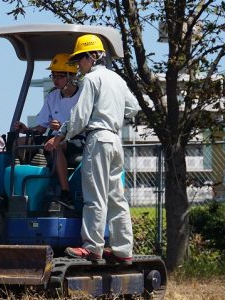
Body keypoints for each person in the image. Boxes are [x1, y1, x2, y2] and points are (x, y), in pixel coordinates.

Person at [44, 34, 140, 264]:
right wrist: (113, 114)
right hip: (115, 140)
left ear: (92, 57)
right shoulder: (116, 79)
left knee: (94, 195)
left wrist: (59, 136)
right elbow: (134, 107)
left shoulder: (91, 80)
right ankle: (123, 250)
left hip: (98, 139)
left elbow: (79, 116)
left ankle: (93, 248)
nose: (78, 64)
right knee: (117, 197)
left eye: (80, 59)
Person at [14, 53, 81, 209]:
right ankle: (21, 187)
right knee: (19, 143)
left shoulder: (82, 96)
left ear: (71, 76)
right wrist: (27, 130)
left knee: (55, 145)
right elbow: (42, 127)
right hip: (56, 136)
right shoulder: (53, 97)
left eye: (60, 76)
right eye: (53, 75)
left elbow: (82, 124)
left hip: (77, 137)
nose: (55, 80)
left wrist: (63, 128)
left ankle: (65, 193)